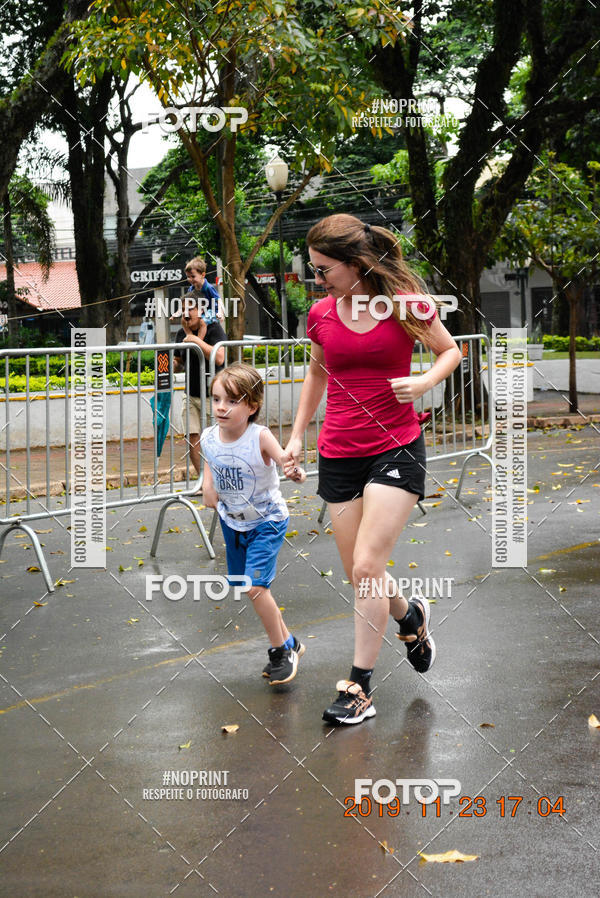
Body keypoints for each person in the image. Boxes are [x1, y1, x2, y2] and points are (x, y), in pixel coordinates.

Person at [282, 213, 461, 725]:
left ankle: (358, 686)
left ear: (356, 264)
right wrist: (297, 435)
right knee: (364, 576)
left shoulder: (403, 305)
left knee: (365, 568)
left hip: (397, 446)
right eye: (313, 270)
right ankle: (411, 615)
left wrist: (424, 382)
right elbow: (317, 374)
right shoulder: (320, 315)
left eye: (324, 269)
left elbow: (450, 351)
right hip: (338, 452)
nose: (317, 279)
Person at [201, 363, 307, 684]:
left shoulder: (258, 436)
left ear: (252, 406)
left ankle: (280, 652)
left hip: (267, 522)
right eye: (217, 399)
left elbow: (284, 461)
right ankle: (291, 643)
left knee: (255, 586)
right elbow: (211, 460)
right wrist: (207, 485)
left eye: (232, 401)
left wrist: (294, 471)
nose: (221, 407)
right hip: (233, 524)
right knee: (248, 587)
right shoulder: (208, 437)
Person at [173, 294, 227, 476]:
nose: (187, 313)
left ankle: (221, 479)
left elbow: (219, 358)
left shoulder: (214, 329)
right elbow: (178, 362)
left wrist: (196, 340)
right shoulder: (181, 333)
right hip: (191, 394)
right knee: (192, 436)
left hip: (214, 397)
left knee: (217, 440)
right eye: (184, 309)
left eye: (191, 309)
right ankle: (203, 479)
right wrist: (169, 366)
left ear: (201, 310)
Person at [185, 256, 225, 325]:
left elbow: (218, 300)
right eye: (188, 277)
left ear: (202, 275)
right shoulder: (191, 289)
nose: (190, 279)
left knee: (202, 321)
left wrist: (220, 312)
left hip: (212, 313)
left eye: (193, 276)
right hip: (201, 313)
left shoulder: (208, 287)